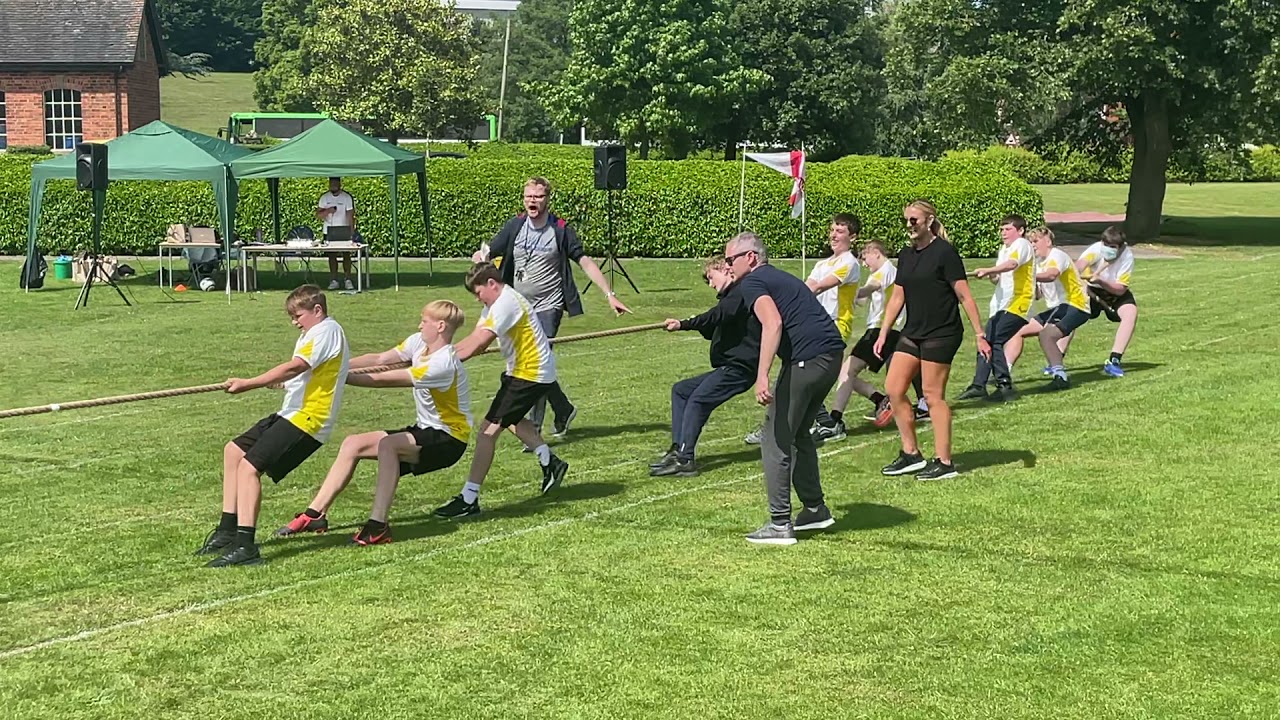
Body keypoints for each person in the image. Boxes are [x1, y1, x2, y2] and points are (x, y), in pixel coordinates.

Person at [274, 301, 472, 545]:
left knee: (388, 445)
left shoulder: (442, 363)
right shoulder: (419, 343)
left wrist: (335, 376)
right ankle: (315, 515)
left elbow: (383, 380)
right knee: (352, 444)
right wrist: (334, 363)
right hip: (425, 430)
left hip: (450, 439)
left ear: (440, 326)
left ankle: (378, 525)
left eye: (424, 321)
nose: (419, 325)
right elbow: (379, 358)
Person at [195, 285, 350, 566]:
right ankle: (228, 530)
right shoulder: (312, 333)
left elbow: (295, 367)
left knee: (249, 468)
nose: (294, 321)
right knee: (233, 451)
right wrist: (283, 383)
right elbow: (303, 374)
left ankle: (246, 546)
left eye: (297, 315)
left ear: (317, 310)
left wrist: (250, 383)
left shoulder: (327, 330)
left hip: (310, 419)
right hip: (290, 412)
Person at [472, 177, 631, 440]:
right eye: (528, 196)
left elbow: (585, 262)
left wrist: (609, 294)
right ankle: (563, 409)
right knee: (531, 365)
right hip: (518, 307)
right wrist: (481, 257)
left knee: (533, 364)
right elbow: (490, 250)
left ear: (548, 199)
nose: (532, 201)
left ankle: (534, 429)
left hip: (548, 306)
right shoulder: (516, 225)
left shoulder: (560, 229)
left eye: (538, 196)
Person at [726, 232, 846, 546]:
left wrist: (762, 375)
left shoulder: (753, 282)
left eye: (730, 260)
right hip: (831, 356)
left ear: (750, 258)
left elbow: (773, 323)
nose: (728, 267)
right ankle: (815, 509)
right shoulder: (777, 277)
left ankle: (780, 524)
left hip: (810, 359)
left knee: (775, 437)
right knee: (799, 432)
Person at [433, 262, 569, 518]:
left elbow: (479, 344)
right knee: (510, 419)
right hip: (520, 371)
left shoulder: (506, 303)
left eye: (478, 292)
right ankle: (550, 462)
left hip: (530, 373)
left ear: (492, 284)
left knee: (487, 431)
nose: (477, 299)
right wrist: (440, 355)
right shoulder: (493, 304)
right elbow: (475, 338)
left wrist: (435, 362)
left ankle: (469, 498)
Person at [875, 200, 990, 481]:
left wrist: (980, 334)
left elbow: (964, 295)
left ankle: (944, 462)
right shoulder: (906, 254)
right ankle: (911, 454)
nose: (909, 225)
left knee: (932, 395)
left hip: (943, 332)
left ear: (929, 221)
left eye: (914, 220)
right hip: (914, 331)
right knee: (894, 388)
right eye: (906, 220)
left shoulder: (945, 253)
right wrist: (883, 331)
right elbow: (898, 297)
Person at [650, 256, 761, 477]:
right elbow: (714, 325)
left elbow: (718, 315)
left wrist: (684, 324)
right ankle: (678, 448)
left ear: (726, 270)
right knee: (681, 391)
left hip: (739, 369)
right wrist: (693, 324)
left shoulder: (740, 292)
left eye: (711, 277)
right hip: (728, 367)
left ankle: (685, 459)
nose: (711, 284)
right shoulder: (730, 298)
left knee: (698, 400)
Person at [824, 240, 927, 435]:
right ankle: (883, 400)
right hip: (890, 329)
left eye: (865, 257)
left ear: (876, 253)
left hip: (881, 330)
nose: (864, 263)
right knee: (849, 371)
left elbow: (870, 287)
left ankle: (835, 420)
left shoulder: (884, 271)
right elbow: (868, 297)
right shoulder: (891, 272)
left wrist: (852, 291)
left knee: (847, 370)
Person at [957, 214, 1033, 402]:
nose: (1003, 233)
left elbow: (1012, 264)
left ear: (1020, 231)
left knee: (995, 339)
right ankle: (978, 385)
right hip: (1001, 304)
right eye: (1002, 229)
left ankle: (1004, 385)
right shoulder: (1004, 250)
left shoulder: (1022, 245)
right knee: (986, 341)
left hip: (1019, 303)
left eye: (1008, 229)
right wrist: (990, 276)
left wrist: (989, 269)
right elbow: (1000, 277)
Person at [1001, 227, 1090, 384]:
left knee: (1046, 335)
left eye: (1036, 241)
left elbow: (1051, 275)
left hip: (1075, 305)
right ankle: (1003, 374)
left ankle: (1060, 377)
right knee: (1017, 330)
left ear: (1048, 242)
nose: (1032, 245)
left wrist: (1030, 277)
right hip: (1056, 309)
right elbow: (1038, 295)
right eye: (1030, 242)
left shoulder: (1057, 255)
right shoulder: (1038, 263)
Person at [802, 214, 860, 440]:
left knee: (805, 374)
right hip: (815, 325)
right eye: (832, 230)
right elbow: (808, 288)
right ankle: (824, 422)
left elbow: (817, 287)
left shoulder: (849, 263)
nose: (833, 235)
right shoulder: (821, 263)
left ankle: (824, 422)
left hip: (835, 326)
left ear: (852, 237)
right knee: (803, 373)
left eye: (840, 231)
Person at [1064, 225, 1137, 378]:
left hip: (1113, 291)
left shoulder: (1127, 256)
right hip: (1091, 289)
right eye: (1106, 245)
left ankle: (1114, 360)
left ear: (1121, 247)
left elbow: (1120, 289)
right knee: (1071, 314)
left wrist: (1102, 281)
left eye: (1112, 247)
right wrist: (1079, 276)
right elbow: (1079, 265)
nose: (1107, 249)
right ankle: (1055, 361)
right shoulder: (1096, 249)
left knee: (1130, 312)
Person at [316, 177, 356, 291]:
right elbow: (318, 215)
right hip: (329, 231)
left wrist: (351, 232)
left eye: (335, 183)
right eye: (331, 183)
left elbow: (350, 215)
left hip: (343, 230)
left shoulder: (346, 197)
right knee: (332, 256)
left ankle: (348, 279)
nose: (332, 185)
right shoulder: (324, 198)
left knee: (346, 256)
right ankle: (334, 280)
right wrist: (328, 211)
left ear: (339, 184)